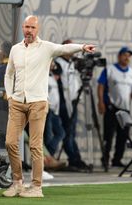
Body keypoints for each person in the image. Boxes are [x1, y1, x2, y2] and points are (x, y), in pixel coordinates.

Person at [3, 15, 95, 198]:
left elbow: (64, 48)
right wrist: (10, 96)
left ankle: (37, 187)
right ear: (23, 28)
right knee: (10, 142)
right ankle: (17, 183)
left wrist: (82, 47)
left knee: (36, 145)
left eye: (32, 27)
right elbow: (9, 74)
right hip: (17, 102)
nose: (29, 30)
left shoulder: (46, 47)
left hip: (38, 102)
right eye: (26, 27)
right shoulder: (15, 49)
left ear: (38, 30)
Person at [97, 46, 132, 168]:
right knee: (108, 135)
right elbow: (101, 86)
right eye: (125, 55)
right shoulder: (109, 70)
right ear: (119, 56)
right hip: (111, 107)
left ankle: (117, 160)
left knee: (123, 135)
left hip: (125, 108)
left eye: (128, 56)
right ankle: (105, 159)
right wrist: (101, 102)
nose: (127, 58)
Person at [54, 39, 88, 170]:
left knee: (71, 131)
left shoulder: (72, 63)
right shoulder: (58, 63)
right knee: (67, 131)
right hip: (63, 102)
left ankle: (75, 157)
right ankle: (74, 158)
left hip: (72, 101)